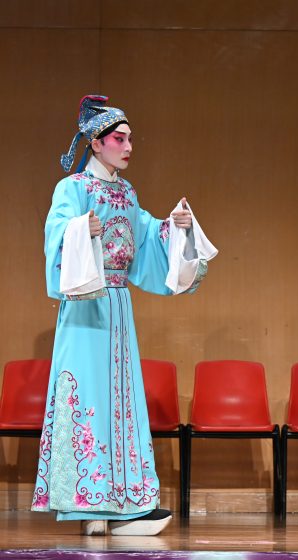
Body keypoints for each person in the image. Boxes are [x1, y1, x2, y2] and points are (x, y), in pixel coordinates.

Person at [31, 95, 217, 536]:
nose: (128, 146)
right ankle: (87, 501)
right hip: (83, 308)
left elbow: (144, 237)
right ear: (96, 144)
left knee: (120, 402)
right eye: (119, 138)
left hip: (116, 306)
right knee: (87, 400)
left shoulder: (126, 192)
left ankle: (124, 500)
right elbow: (55, 233)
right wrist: (80, 231)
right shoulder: (72, 188)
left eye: (131, 138)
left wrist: (173, 227)